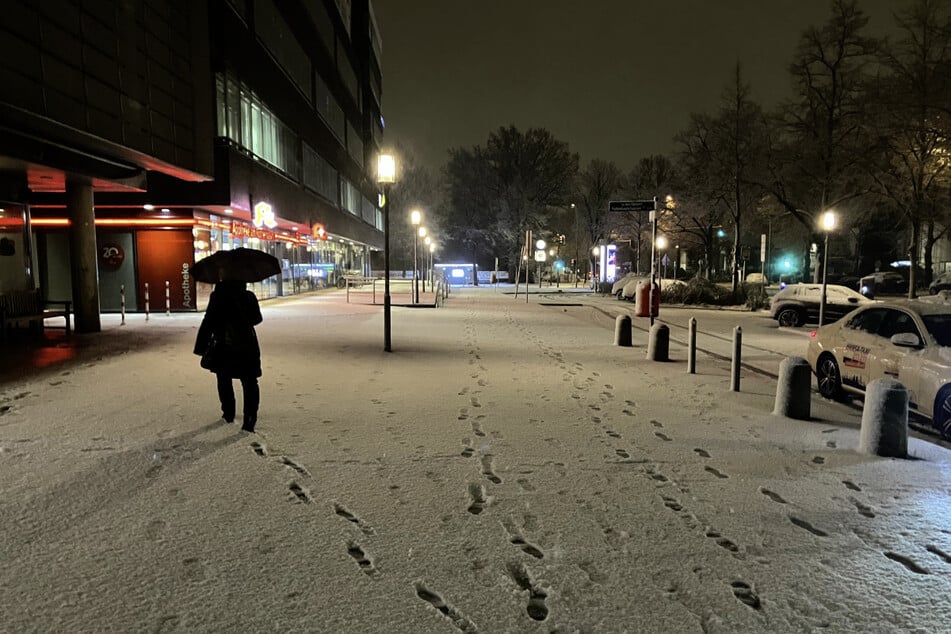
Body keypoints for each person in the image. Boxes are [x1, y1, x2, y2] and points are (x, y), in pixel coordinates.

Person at [193, 280, 263, 432]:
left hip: (223, 344)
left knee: (223, 378)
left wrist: (201, 346)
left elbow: (208, 322)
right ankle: (250, 418)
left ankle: (228, 412)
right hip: (247, 344)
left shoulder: (217, 297)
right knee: (249, 381)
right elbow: (257, 319)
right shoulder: (248, 296)